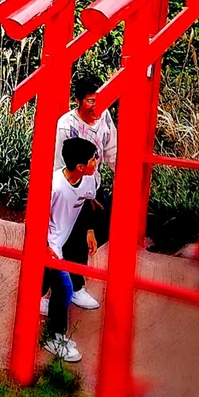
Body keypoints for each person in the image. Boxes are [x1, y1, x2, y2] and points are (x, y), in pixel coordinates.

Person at [54, 71, 117, 309]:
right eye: (90, 100)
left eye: (98, 100)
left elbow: (112, 151)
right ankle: (75, 286)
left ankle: (70, 280)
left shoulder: (105, 118)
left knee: (105, 226)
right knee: (74, 236)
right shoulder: (66, 125)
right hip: (71, 187)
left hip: (93, 185)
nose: (95, 106)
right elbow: (60, 164)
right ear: (78, 100)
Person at [43, 137, 100, 363]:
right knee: (64, 288)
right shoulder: (54, 186)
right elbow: (34, 221)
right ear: (80, 167)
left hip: (67, 236)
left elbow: (87, 202)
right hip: (50, 243)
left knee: (54, 284)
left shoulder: (89, 179)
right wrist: (45, 247)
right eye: (93, 158)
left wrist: (89, 230)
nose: (97, 161)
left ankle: (41, 297)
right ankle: (54, 338)